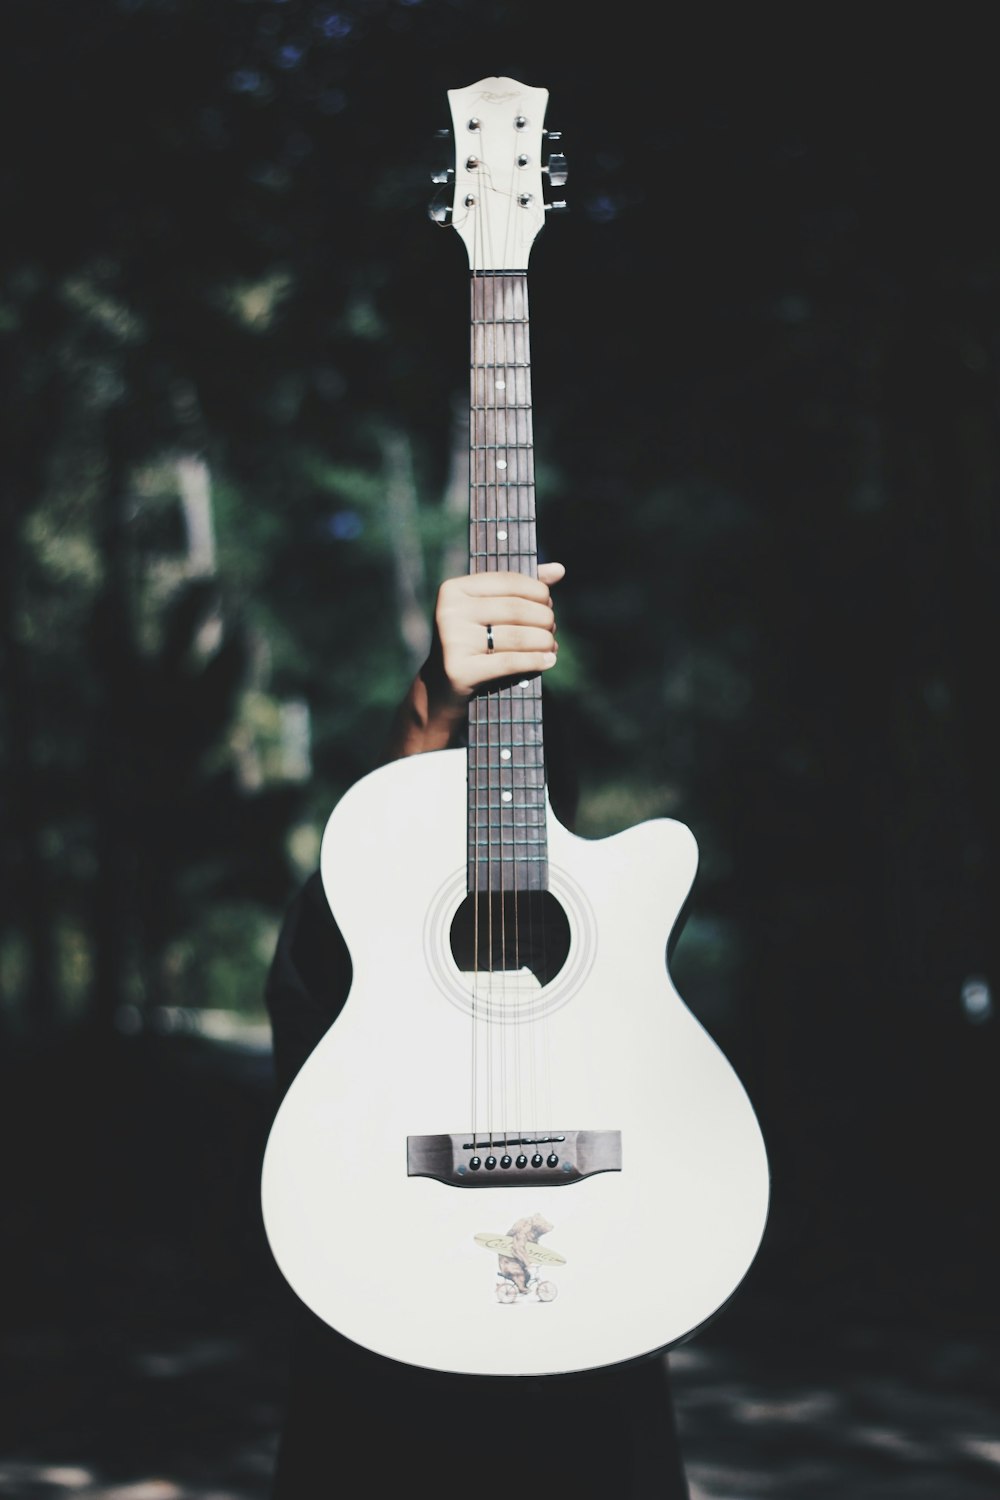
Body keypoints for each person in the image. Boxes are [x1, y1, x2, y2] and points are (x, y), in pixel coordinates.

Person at [264, 562, 690, 1500]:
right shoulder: (349, 952)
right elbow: (329, 944)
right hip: (382, 1412)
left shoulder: (618, 955)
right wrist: (431, 718)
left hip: (596, 1404)